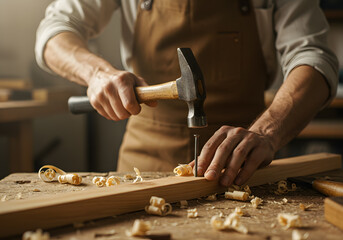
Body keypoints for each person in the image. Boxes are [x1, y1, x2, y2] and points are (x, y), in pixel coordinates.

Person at [35, 0, 338, 187]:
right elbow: (54, 29)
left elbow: (314, 57)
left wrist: (266, 133)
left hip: (246, 165)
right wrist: (95, 72)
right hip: (142, 162)